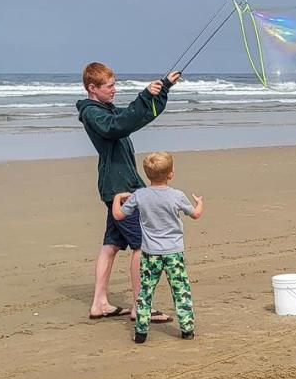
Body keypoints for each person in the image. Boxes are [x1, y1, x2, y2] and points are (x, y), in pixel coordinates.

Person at [77, 62, 180, 322]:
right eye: (109, 86)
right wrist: (144, 95)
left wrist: (163, 88)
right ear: (93, 88)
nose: (114, 90)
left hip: (118, 187)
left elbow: (137, 117)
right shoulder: (94, 114)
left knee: (111, 245)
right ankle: (139, 305)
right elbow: (118, 126)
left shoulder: (105, 111)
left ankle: (100, 303)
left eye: (114, 84)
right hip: (121, 189)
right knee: (142, 245)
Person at [112, 151, 203, 343]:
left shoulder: (140, 195)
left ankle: (141, 332)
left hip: (151, 253)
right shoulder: (177, 195)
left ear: (147, 174)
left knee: (146, 291)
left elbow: (119, 215)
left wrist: (117, 198)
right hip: (174, 253)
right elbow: (195, 214)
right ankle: (187, 329)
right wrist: (199, 203)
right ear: (171, 174)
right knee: (181, 290)